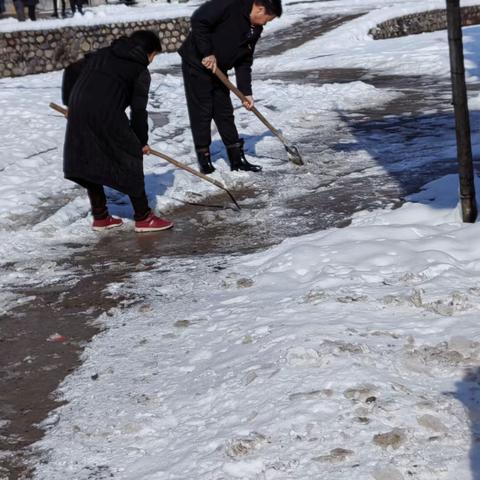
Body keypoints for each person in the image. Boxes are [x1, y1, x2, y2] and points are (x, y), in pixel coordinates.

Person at [62, 30, 174, 233]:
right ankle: (143, 217)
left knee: (89, 158)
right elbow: (138, 111)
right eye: (154, 55)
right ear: (148, 52)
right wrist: (140, 142)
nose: (152, 60)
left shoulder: (103, 53)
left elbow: (71, 70)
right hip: (105, 112)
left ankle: (101, 217)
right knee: (130, 156)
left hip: (79, 109)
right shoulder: (139, 70)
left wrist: (70, 103)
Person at [178, 0, 282, 175]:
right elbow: (199, 20)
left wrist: (246, 93)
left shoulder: (254, 29)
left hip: (219, 69)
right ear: (260, 8)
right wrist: (207, 52)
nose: (265, 23)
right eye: (267, 19)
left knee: (224, 110)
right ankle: (204, 159)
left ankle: (236, 159)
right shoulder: (230, 5)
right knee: (202, 110)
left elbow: (244, 62)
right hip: (197, 62)